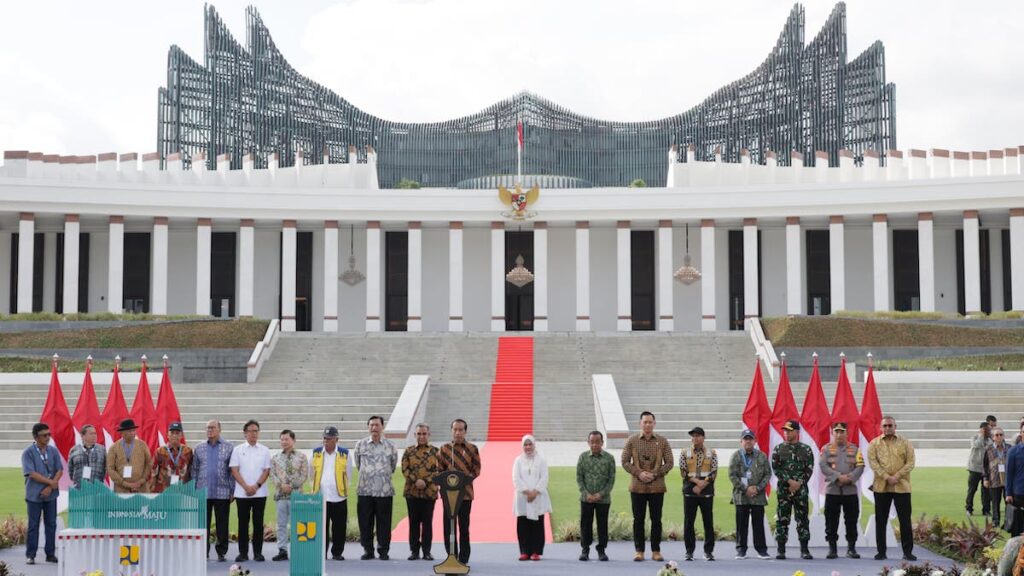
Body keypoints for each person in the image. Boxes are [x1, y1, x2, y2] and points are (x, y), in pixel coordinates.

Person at [621, 411, 673, 562]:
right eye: (645, 422)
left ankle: (656, 551)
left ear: (654, 424)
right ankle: (639, 551)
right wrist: (639, 473)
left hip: (657, 487)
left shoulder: (663, 441)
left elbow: (669, 462)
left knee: (656, 519)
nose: (648, 425)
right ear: (640, 423)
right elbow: (624, 461)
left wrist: (655, 474)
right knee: (638, 520)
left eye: (650, 422)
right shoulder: (632, 441)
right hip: (637, 487)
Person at [868, 415, 917, 561]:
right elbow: (873, 463)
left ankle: (907, 552)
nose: (888, 428)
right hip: (881, 487)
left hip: (901, 486)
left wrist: (897, 476)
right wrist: (886, 477)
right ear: (881, 427)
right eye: (885, 426)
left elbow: (911, 462)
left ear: (895, 427)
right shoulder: (874, 443)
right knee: (881, 520)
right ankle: (881, 552)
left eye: (890, 425)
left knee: (905, 520)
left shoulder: (905, 442)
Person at [354, 415, 398, 561]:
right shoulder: (360, 445)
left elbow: (392, 466)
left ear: (382, 427)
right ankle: (368, 550)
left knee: (384, 523)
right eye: (371, 425)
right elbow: (358, 464)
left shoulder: (390, 446)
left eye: (377, 425)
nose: (374, 428)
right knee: (365, 522)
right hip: (365, 490)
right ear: (368, 427)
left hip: (384, 491)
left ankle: (383, 550)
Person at [439, 418, 481, 565]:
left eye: (461, 430)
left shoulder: (472, 448)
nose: (458, 433)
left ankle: (463, 559)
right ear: (451, 431)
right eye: (455, 430)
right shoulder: (444, 449)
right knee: (448, 528)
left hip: (466, 495)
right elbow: (438, 470)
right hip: (448, 496)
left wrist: (462, 481)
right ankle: (452, 557)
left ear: (465, 431)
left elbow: (476, 470)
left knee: (464, 528)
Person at [820, 422, 864, 559]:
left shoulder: (855, 449)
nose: (839, 434)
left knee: (851, 520)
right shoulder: (826, 449)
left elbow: (860, 466)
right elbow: (823, 465)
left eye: (842, 432)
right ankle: (832, 549)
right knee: (831, 521)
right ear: (833, 433)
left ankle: (851, 548)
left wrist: (849, 478)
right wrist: (838, 477)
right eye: (836, 432)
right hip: (833, 491)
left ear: (847, 433)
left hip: (850, 491)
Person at [192, 419, 235, 562]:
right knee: (203, 524)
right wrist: (194, 491)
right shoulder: (199, 448)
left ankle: (221, 552)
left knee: (222, 524)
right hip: (203, 492)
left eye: (212, 427)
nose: (209, 430)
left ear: (219, 430)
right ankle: (203, 551)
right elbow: (195, 470)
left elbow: (232, 471)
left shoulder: (229, 447)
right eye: (207, 428)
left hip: (222, 492)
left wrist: (232, 490)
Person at [230, 419, 272, 562]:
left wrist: (257, 486)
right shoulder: (237, 450)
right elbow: (234, 470)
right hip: (242, 494)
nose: (253, 434)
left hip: (259, 493)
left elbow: (267, 470)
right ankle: (243, 553)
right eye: (250, 431)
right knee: (243, 524)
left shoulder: (265, 450)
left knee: (258, 524)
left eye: (256, 431)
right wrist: (246, 486)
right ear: (245, 433)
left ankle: (258, 553)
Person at [772, 419, 814, 560]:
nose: (786, 433)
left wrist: (799, 483)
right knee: (782, 519)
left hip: (801, 490)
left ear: (797, 432)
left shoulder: (806, 449)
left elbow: (809, 468)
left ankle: (804, 549)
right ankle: (781, 549)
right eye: (785, 430)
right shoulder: (779, 449)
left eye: (789, 430)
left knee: (802, 519)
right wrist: (789, 481)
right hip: (784, 490)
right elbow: (776, 468)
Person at [728, 428, 772, 560]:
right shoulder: (736, 456)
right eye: (745, 439)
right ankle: (741, 550)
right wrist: (745, 489)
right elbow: (732, 475)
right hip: (742, 496)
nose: (748, 441)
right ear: (741, 441)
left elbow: (767, 474)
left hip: (757, 497)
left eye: (750, 439)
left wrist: (757, 488)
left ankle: (761, 550)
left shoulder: (761, 456)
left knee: (758, 523)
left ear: (755, 441)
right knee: (742, 524)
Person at [23, 423, 63, 565]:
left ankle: (50, 554)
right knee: (33, 525)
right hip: (34, 495)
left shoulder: (53, 451)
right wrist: (50, 483)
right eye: (44, 435)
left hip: (51, 494)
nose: (47, 437)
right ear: (35, 436)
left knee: (51, 524)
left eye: (49, 434)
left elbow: (59, 469)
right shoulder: (28, 452)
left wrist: (51, 486)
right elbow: (31, 473)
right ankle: (31, 554)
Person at [311, 425, 352, 561]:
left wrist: (342, 488)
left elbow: (349, 474)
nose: (326, 441)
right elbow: (312, 473)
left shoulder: (344, 453)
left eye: (329, 438)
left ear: (336, 439)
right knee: (322, 528)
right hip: (321, 497)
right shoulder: (316, 452)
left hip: (338, 496)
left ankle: (337, 552)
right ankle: (322, 553)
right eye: (325, 438)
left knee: (339, 528)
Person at [401, 423, 440, 561]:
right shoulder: (408, 451)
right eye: (419, 434)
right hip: (412, 492)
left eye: (424, 433)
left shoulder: (436, 451)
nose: (422, 436)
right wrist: (416, 481)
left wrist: (426, 481)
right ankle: (414, 551)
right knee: (414, 523)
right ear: (415, 435)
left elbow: (439, 470)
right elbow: (405, 469)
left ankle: (427, 552)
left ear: (429, 435)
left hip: (429, 493)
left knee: (427, 523)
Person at [576, 430, 616, 562]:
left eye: (597, 442)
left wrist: (600, 494)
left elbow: (611, 480)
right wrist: (586, 493)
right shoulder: (582, 457)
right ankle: (585, 550)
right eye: (592, 442)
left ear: (602, 442)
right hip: (586, 498)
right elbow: (579, 478)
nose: (594, 445)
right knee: (585, 524)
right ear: (588, 443)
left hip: (603, 499)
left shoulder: (609, 458)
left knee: (602, 525)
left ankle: (601, 550)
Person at [271, 429, 309, 562]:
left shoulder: (302, 457)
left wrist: (291, 486)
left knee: (297, 523)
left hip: (296, 496)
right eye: (282, 439)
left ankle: (298, 550)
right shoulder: (275, 458)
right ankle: (282, 550)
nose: (284, 442)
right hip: (280, 496)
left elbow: (304, 475)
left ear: (293, 440)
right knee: (281, 524)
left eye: (286, 439)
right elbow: (273, 475)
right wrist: (282, 486)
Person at [680, 426, 717, 561]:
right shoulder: (685, 452)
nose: (695, 438)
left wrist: (703, 484)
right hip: (690, 492)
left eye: (697, 436)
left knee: (708, 522)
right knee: (689, 522)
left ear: (703, 437)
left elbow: (713, 472)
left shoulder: (712, 453)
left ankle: (708, 551)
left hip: (706, 493)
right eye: (693, 436)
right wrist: (697, 482)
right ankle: (689, 551)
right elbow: (683, 471)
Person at [513, 434, 552, 561]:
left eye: (530, 444)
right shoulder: (518, 460)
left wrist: (534, 492)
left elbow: (544, 477)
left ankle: (536, 551)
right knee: (523, 525)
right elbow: (515, 478)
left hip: (538, 497)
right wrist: (526, 492)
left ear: (534, 445)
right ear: (522, 446)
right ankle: (524, 551)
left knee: (537, 525)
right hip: (522, 498)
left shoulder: (541, 460)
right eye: (525, 444)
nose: (528, 447)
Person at [106, 418, 152, 494]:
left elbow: (149, 463)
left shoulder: (142, 445)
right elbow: (110, 468)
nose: (132, 433)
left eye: (133, 431)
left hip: (141, 488)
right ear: (121, 433)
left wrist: (142, 480)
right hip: (121, 489)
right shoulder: (113, 448)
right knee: (124, 506)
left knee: (141, 505)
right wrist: (125, 483)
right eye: (129, 431)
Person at [150, 421, 192, 493]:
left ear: (181, 435)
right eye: (172, 433)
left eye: (177, 433)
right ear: (167, 435)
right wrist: (153, 488)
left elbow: (191, 470)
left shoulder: (188, 451)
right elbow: (154, 471)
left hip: (182, 490)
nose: (174, 435)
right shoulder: (160, 451)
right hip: (164, 490)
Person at [983, 427, 1010, 529]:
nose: (999, 437)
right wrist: (985, 478)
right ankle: (995, 521)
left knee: (1008, 502)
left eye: (1001, 435)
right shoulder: (988, 449)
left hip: (1008, 480)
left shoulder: (1009, 448)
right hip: (994, 479)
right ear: (993, 437)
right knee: (995, 502)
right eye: (996, 435)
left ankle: (1008, 523)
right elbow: (984, 465)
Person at [67, 424, 105, 489]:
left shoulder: (102, 449)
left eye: (95, 433)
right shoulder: (74, 450)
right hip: (79, 488)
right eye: (91, 434)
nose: (94, 436)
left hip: (97, 488)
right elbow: (70, 470)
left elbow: (105, 468)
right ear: (82, 436)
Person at [967, 421, 992, 517]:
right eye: (986, 429)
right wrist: (981, 435)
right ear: (981, 429)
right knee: (972, 489)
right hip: (974, 468)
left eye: (988, 430)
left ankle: (986, 510)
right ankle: (969, 508)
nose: (988, 431)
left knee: (986, 491)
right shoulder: (974, 438)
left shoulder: (989, 440)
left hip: (985, 469)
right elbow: (976, 445)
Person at [1006, 429, 1024, 536]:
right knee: (1018, 526)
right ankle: (1017, 551)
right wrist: (1008, 493)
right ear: (1021, 434)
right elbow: (1009, 473)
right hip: (1019, 493)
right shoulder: (1013, 451)